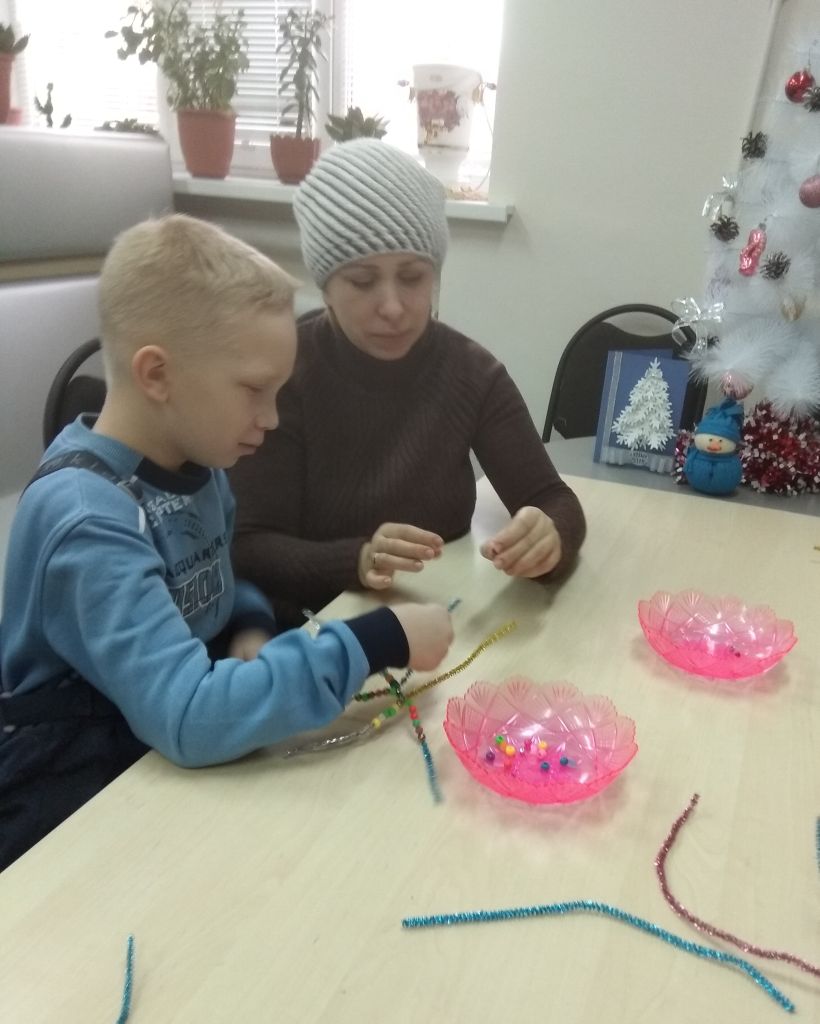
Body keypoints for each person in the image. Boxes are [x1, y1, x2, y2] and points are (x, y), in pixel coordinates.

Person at [0, 214, 453, 871]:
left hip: (156, 759)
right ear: (157, 375)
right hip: (73, 800)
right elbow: (188, 715)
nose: (270, 418)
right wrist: (375, 640)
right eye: (253, 391)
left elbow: (210, 580)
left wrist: (248, 622)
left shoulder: (198, 467)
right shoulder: (88, 523)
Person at [229, 139, 586, 615]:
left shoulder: (471, 372)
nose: (393, 307)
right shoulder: (283, 374)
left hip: (444, 613)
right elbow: (248, 544)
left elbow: (551, 497)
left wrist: (550, 537)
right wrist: (357, 560)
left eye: (413, 277)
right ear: (325, 286)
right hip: (319, 626)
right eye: (362, 281)